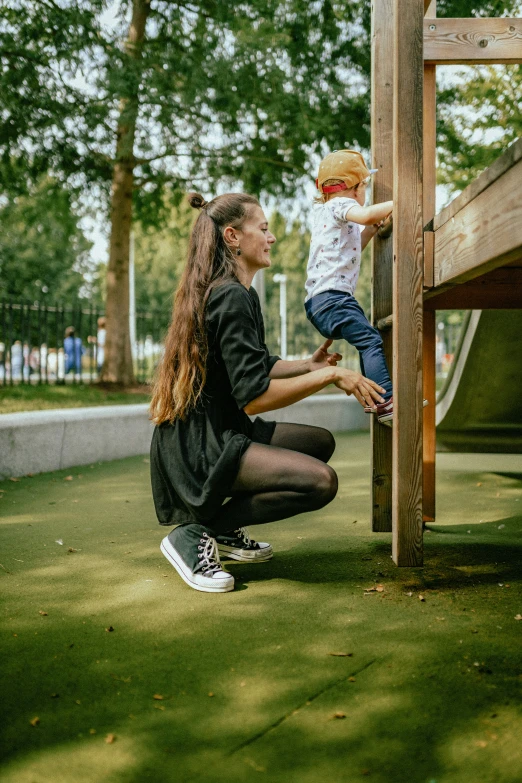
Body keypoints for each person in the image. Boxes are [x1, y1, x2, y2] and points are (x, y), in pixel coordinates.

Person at [149, 192, 385, 594]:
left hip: (219, 430)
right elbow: (254, 396)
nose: (272, 237)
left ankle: (219, 533)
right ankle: (195, 533)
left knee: (319, 442)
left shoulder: (236, 292)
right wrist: (330, 379)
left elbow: (256, 364)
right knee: (320, 482)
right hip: (202, 448)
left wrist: (307, 367)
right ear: (232, 237)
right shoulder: (231, 296)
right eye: (264, 228)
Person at [304, 149, 396, 425]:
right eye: (365, 186)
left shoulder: (325, 213)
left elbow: (354, 247)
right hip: (334, 299)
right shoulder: (339, 206)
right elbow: (367, 214)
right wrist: (401, 202)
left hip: (319, 303)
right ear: (355, 189)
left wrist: (371, 231)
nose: (365, 193)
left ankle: (376, 400)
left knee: (364, 341)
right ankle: (385, 403)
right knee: (370, 341)